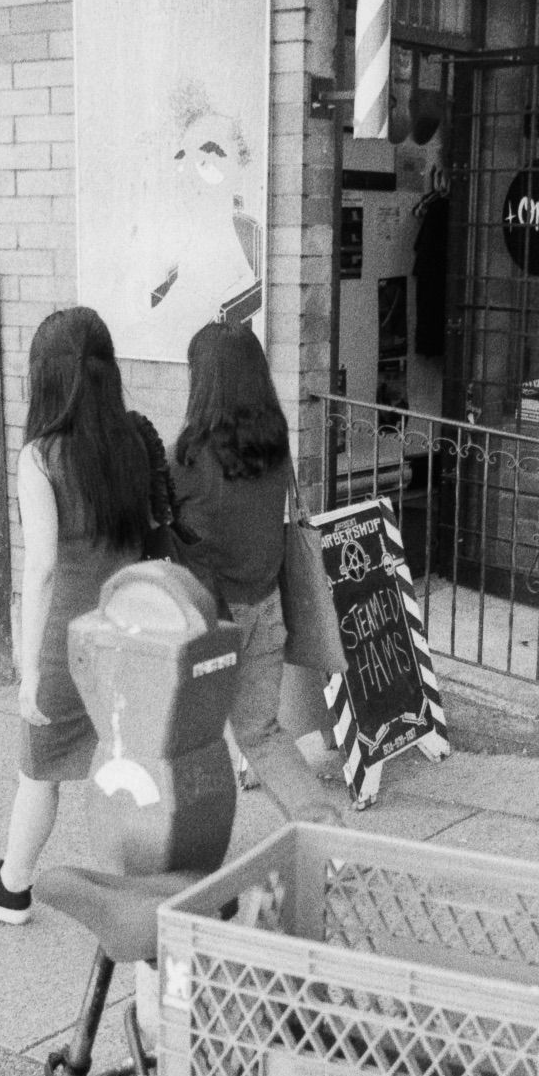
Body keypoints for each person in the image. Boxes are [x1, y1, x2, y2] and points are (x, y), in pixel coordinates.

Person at [0, 307, 158, 924]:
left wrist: (29, 669)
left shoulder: (41, 457)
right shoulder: (135, 439)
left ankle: (12, 886)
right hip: (132, 629)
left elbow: (39, 570)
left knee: (39, 769)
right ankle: (139, 882)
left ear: (47, 378)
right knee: (122, 765)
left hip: (71, 639)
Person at [169, 321, 340, 825]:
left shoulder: (188, 459)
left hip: (207, 622)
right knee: (262, 735)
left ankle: (181, 851)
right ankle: (325, 839)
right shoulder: (273, 448)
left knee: (179, 738)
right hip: (266, 610)